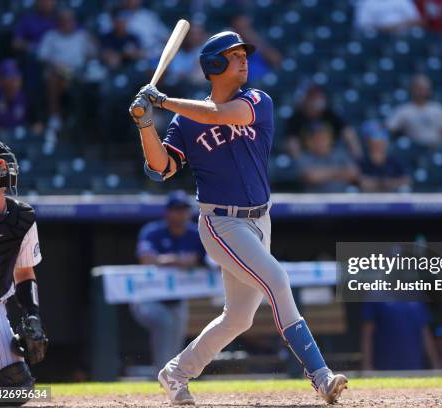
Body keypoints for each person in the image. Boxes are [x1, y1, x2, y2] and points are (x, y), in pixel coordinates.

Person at [129, 31, 348, 405]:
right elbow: (160, 168)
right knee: (277, 278)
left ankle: (175, 373)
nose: (244, 59)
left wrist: (162, 101)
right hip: (221, 222)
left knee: (238, 318)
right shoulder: (184, 123)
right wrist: (145, 123)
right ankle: (320, 375)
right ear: (214, 65)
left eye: (244, 53)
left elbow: (220, 115)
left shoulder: (257, 101)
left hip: (260, 220)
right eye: (234, 55)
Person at [0, 140, 48, 403]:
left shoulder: (22, 217)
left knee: (16, 390)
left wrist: (33, 316)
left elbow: (25, 272)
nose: (4, 169)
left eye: (7, 163)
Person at [130, 191, 207, 371]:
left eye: (183, 210)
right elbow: (146, 258)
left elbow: (207, 260)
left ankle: (169, 373)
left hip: (177, 300)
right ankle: (163, 371)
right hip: (147, 296)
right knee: (165, 321)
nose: (180, 214)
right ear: (167, 212)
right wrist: (180, 261)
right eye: (176, 210)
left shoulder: (194, 233)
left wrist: (167, 260)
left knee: (176, 332)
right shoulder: (152, 231)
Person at [37, 8, 97, 129]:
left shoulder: (82, 36)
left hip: (80, 72)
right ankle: (55, 116)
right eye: (63, 20)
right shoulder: (51, 36)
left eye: (70, 20)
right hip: (59, 73)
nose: (67, 23)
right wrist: (55, 64)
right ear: (58, 22)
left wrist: (93, 41)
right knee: (52, 77)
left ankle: (87, 122)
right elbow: (41, 56)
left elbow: (94, 54)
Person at [285, 84, 362, 159]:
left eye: (318, 97)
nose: (315, 100)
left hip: (332, 155)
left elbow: (348, 132)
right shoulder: (296, 118)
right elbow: (292, 142)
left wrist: (357, 156)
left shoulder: (329, 114)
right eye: (312, 97)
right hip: (308, 157)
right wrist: (300, 162)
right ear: (304, 99)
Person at [361, 302, 442, 370]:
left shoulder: (416, 298)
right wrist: (366, 365)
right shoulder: (376, 296)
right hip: (385, 365)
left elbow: (425, 334)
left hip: (414, 365)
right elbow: (367, 335)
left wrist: (436, 364)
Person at [0, 59, 43, 137]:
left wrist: (28, 132)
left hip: (21, 142)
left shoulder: (27, 96)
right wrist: (3, 133)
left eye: (16, 78)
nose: (14, 83)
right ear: (0, 80)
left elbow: (38, 125)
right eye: (10, 78)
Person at [386, 74, 442, 148]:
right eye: (417, 88)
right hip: (413, 148)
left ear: (429, 90)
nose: (420, 92)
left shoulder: (437, 108)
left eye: (423, 88)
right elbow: (390, 128)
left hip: (435, 146)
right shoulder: (403, 109)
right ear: (411, 89)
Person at [296, 122, 360, 193]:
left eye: (324, 137)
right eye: (316, 138)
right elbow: (312, 177)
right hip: (314, 201)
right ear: (309, 141)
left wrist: (324, 174)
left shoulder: (340, 153)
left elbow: (353, 173)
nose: (320, 141)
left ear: (330, 139)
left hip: (341, 199)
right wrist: (341, 172)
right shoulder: (304, 156)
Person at [358, 120, 411, 192]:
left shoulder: (394, 161)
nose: (380, 140)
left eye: (382, 136)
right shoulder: (362, 162)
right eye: (375, 136)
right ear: (367, 140)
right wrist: (381, 183)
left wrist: (387, 183)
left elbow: (407, 180)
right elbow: (362, 182)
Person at [354, 0, 422, 34]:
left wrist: (398, 26)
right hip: (379, 36)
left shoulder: (403, 1)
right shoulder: (367, 3)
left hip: (404, 34)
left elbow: (417, 20)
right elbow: (362, 25)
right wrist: (386, 28)